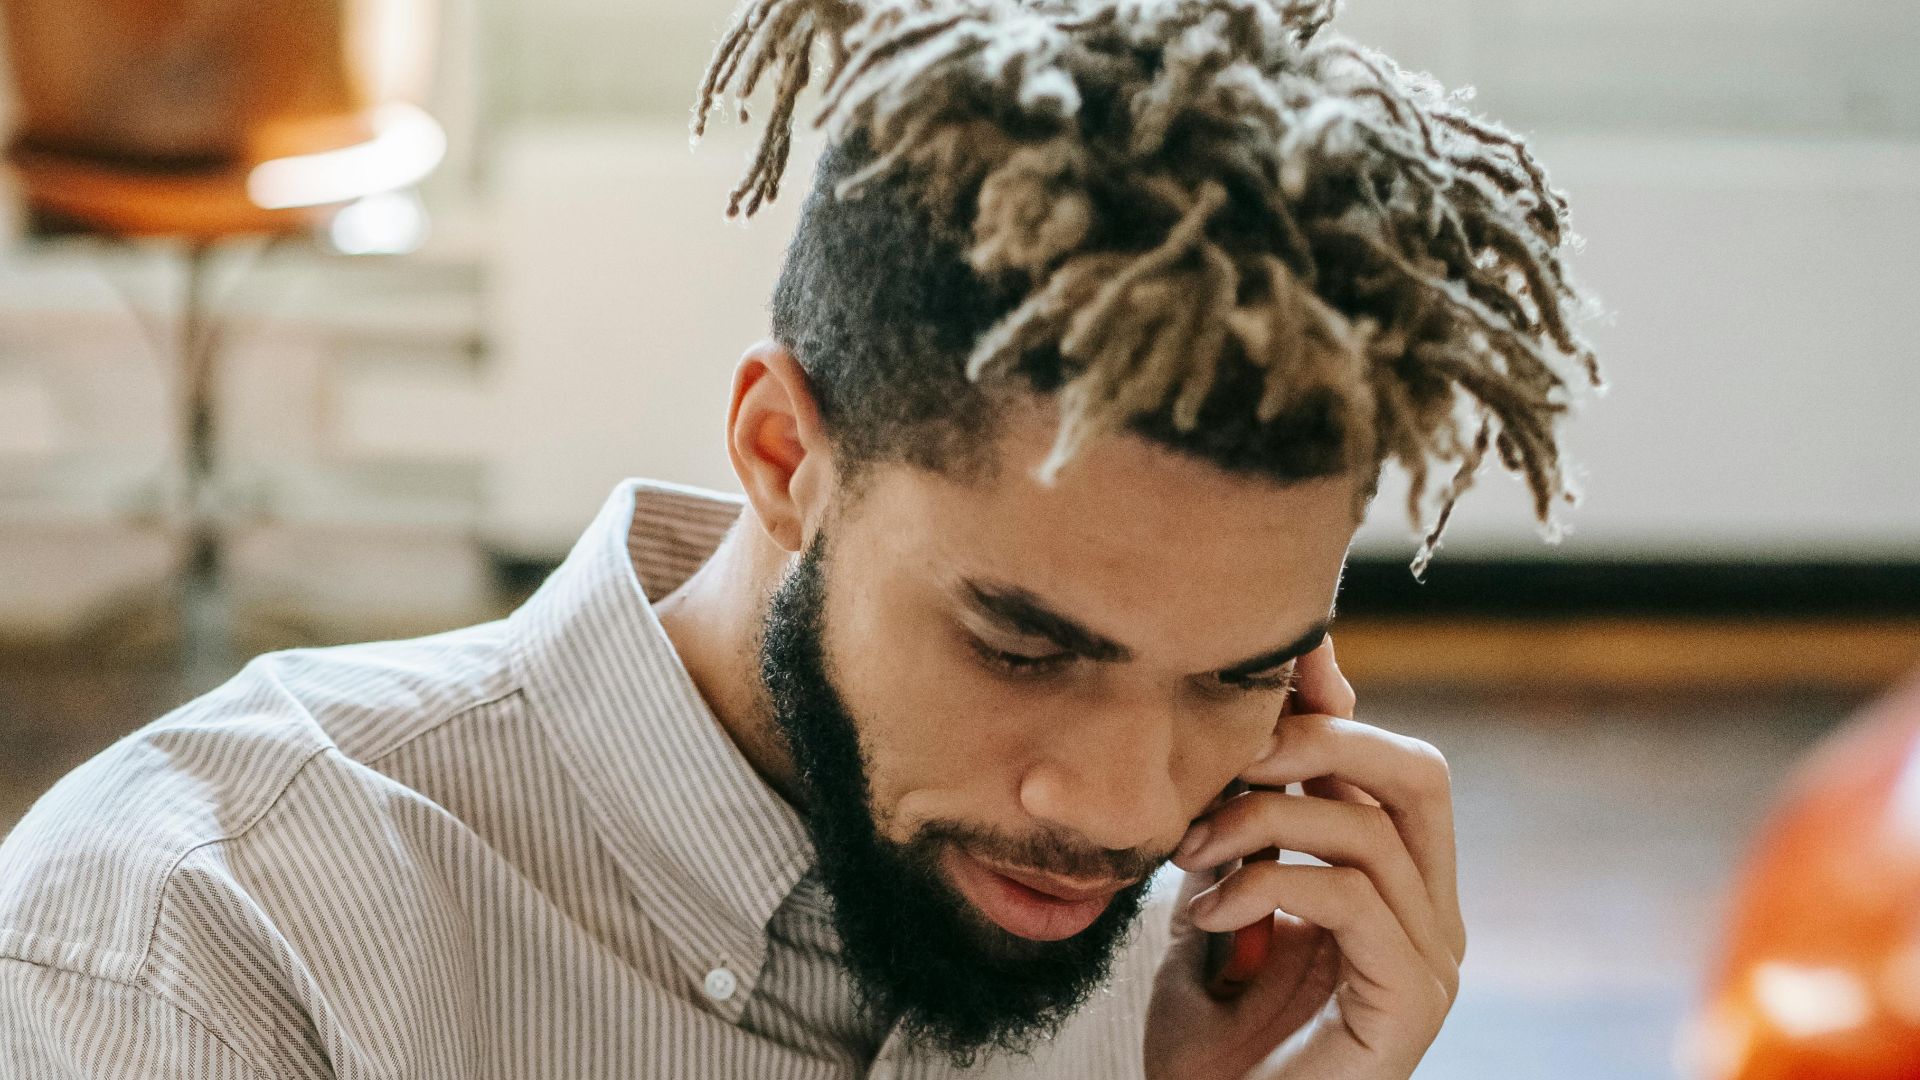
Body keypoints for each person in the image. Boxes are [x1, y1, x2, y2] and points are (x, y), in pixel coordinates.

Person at [0, 0, 1601, 1076]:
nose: (1117, 808)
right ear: (784, 451)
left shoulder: (1190, 969)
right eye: (1023, 645)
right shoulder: (189, 939)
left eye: (1238, 678)